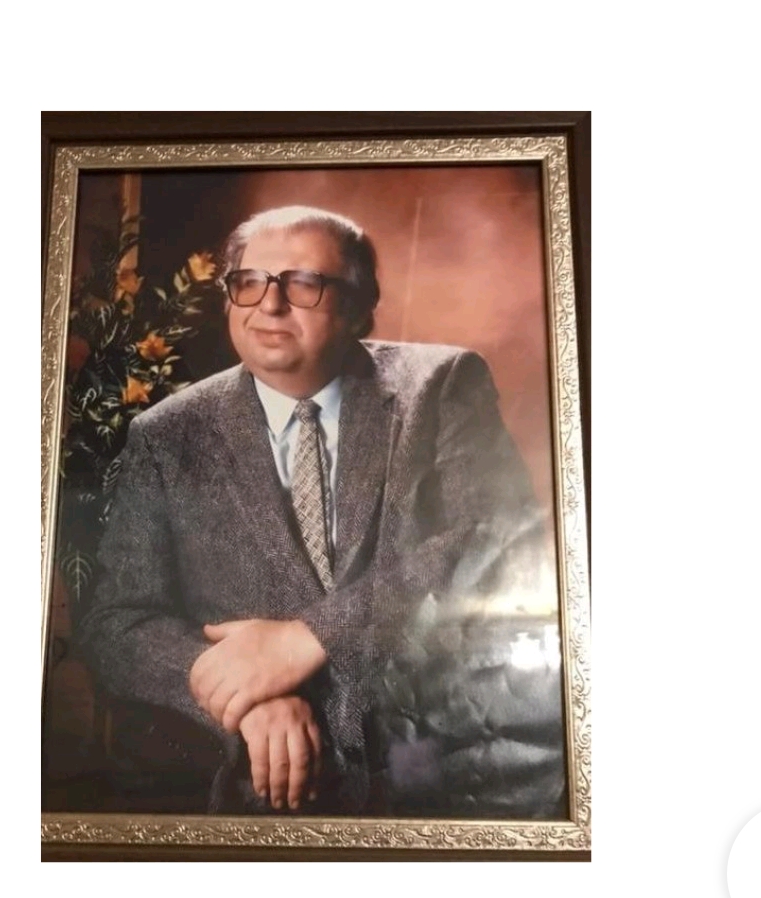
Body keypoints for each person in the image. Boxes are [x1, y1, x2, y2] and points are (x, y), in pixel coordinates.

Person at [77, 206, 543, 815]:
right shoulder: (165, 433)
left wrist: (312, 637)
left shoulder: (443, 385)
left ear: (358, 307)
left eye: (303, 284)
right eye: (249, 282)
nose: (269, 306)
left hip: (446, 775)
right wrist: (241, 694)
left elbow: (493, 545)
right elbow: (117, 624)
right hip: (265, 797)